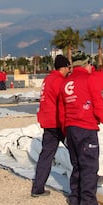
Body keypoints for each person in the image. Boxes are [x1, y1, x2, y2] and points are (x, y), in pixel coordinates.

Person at [60, 57, 103, 205]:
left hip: (71, 127)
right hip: (86, 127)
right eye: (90, 64)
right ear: (85, 65)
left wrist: (65, 130)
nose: (92, 67)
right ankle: (88, 204)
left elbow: (62, 109)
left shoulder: (66, 82)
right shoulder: (89, 80)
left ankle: (75, 197)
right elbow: (98, 103)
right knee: (89, 166)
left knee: (76, 164)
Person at [31, 55, 71, 197]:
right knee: (77, 152)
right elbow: (64, 102)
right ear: (64, 67)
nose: (69, 70)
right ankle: (82, 185)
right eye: (68, 67)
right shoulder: (59, 81)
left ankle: (38, 187)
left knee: (46, 156)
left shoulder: (47, 79)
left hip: (47, 122)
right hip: (58, 123)